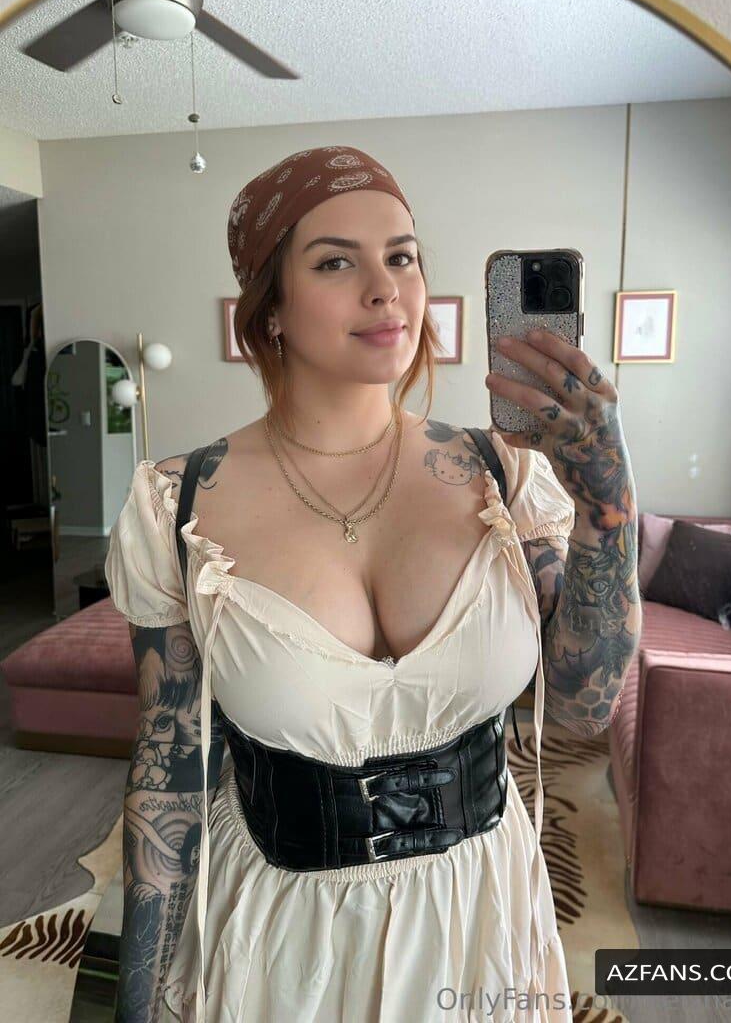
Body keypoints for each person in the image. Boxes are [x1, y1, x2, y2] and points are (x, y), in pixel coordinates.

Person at [105, 146, 580, 1023]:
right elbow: (169, 771)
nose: (385, 290)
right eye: (335, 263)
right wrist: (132, 1008)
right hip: (287, 943)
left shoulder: (505, 474)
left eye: (402, 256)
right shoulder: (177, 504)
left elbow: (588, 705)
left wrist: (613, 507)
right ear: (270, 310)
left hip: (480, 912)